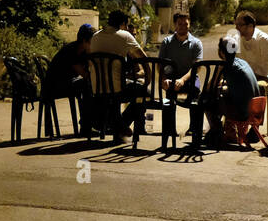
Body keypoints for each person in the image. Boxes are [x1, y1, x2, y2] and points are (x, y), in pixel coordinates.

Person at [90, 10, 148, 144]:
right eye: (126, 26)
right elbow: (143, 58)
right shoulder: (124, 35)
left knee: (114, 94)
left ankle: (117, 124)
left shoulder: (95, 37)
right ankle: (121, 124)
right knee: (145, 92)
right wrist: (148, 79)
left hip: (97, 89)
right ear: (122, 24)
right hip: (117, 89)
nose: (127, 29)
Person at [158, 11, 204, 141]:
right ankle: (169, 130)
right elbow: (160, 65)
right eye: (180, 24)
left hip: (189, 78)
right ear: (175, 25)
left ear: (190, 24)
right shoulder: (167, 42)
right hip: (171, 78)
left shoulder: (196, 43)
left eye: (186, 24)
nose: (183, 26)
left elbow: (197, 67)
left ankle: (194, 130)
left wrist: (182, 80)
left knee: (195, 96)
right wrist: (163, 80)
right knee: (169, 98)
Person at [216, 35, 263, 149]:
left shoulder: (228, 66)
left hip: (243, 112)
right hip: (257, 109)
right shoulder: (242, 62)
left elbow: (215, 86)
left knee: (212, 100)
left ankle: (216, 132)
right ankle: (228, 132)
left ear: (222, 52)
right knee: (226, 95)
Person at [45, 24, 94, 128]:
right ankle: (86, 125)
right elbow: (85, 74)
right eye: (92, 42)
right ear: (85, 41)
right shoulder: (71, 51)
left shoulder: (83, 51)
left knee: (88, 85)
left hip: (67, 82)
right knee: (87, 84)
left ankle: (90, 123)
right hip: (55, 86)